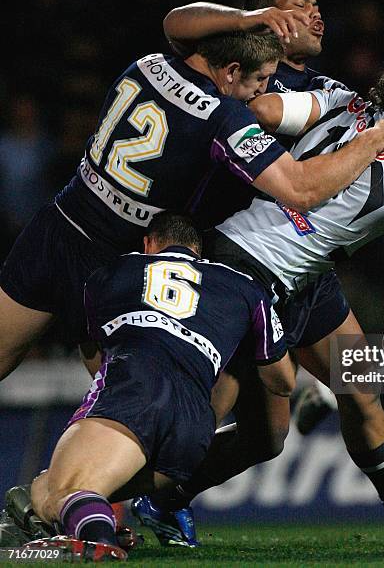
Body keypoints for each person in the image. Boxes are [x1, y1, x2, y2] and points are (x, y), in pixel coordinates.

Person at [135, 47, 384, 550]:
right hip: (251, 276)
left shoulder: (341, 100)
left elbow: (263, 110)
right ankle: (90, 495)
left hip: (292, 269)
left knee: (353, 390)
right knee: (235, 422)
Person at [0, 25, 384, 381]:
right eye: (260, 80)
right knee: (138, 414)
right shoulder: (224, 114)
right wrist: (372, 141)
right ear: (232, 70)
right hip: (122, 265)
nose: (262, 91)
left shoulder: (148, 62)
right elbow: (301, 189)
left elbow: (176, 21)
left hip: (61, 225)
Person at [19, 211, 293, 561]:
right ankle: (91, 520)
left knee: (65, 487)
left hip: (135, 391)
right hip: (195, 426)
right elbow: (282, 381)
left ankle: (100, 542)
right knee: (47, 489)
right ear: (199, 252)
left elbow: (91, 348)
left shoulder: (113, 271)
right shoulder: (244, 287)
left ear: (148, 244)